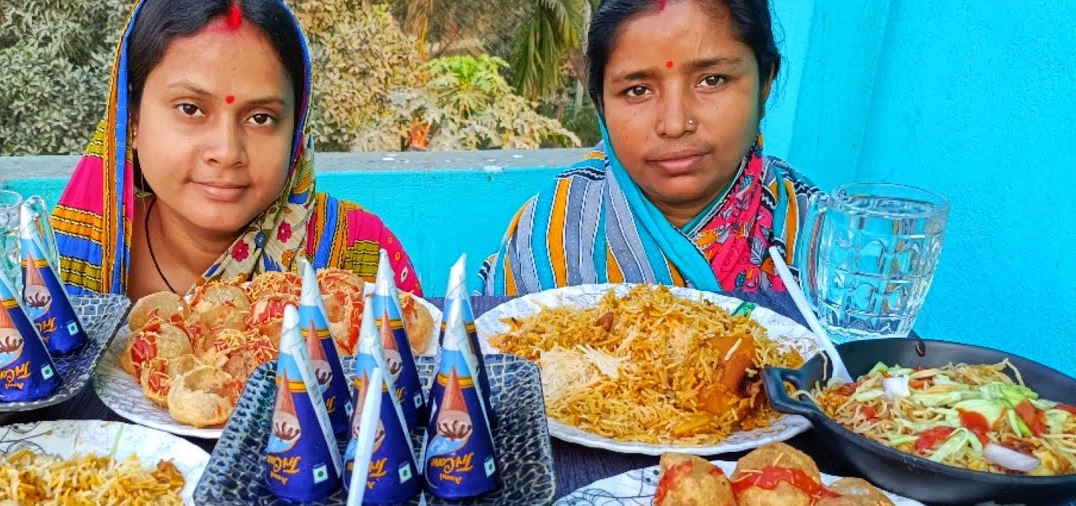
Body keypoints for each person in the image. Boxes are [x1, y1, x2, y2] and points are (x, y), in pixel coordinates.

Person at [52, 0, 422, 300]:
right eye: (191, 109)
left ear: (296, 131)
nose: (227, 152)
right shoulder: (62, 271)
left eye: (261, 118)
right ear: (131, 120)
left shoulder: (361, 259)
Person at [481, 0, 819, 296]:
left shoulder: (816, 235)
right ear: (600, 104)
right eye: (638, 90)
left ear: (764, 85)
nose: (674, 124)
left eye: (711, 80)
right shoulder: (552, 236)